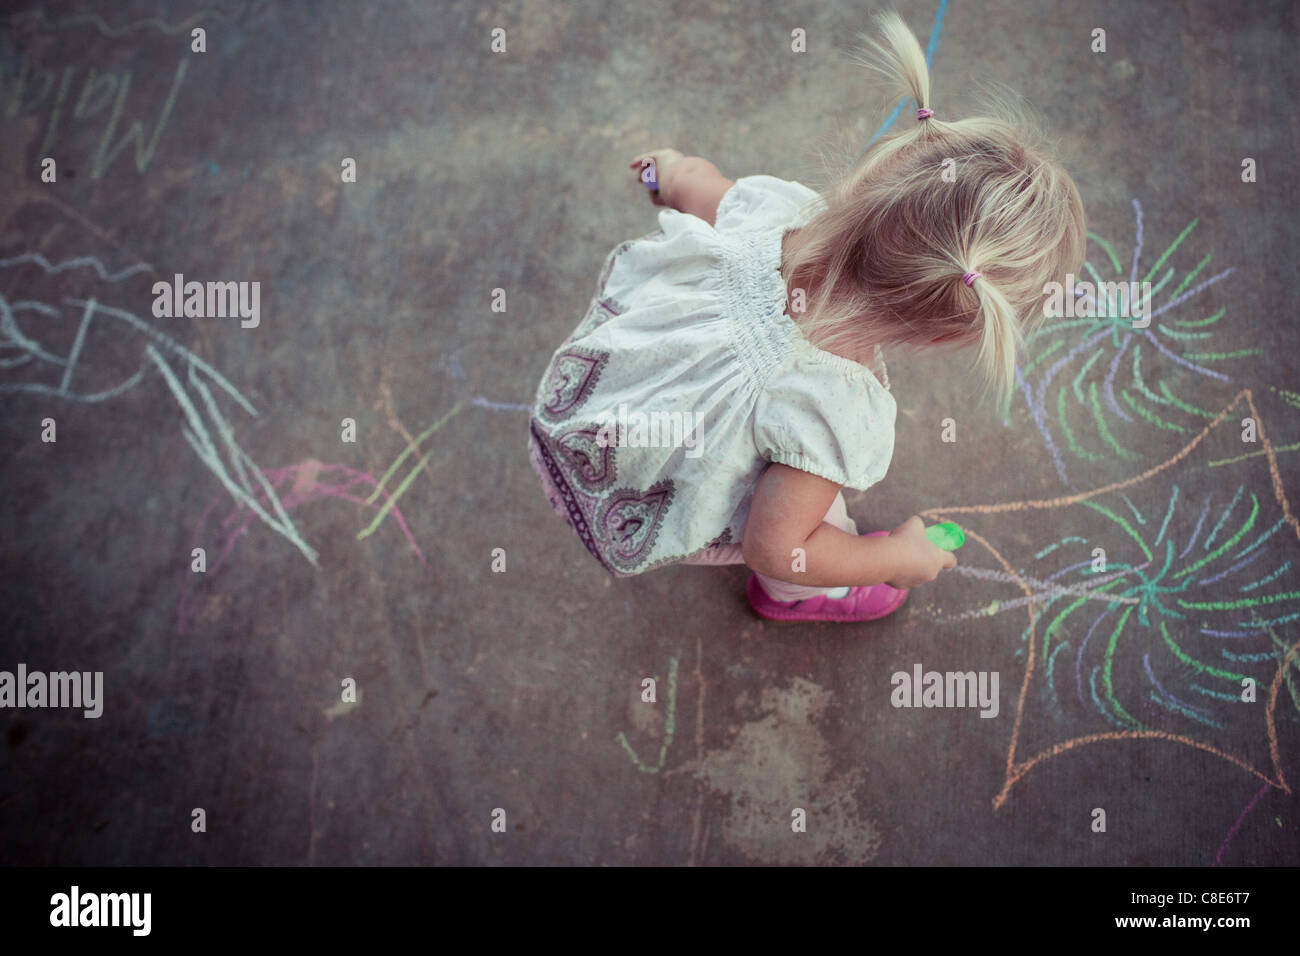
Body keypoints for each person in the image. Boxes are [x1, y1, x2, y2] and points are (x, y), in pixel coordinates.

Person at [527, 11, 1086, 623]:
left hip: (581, 409)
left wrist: (665, 168)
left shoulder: (777, 212)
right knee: (818, 519)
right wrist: (896, 558)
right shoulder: (836, 408)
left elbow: (694, 180)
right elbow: (777, 546)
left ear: (880, 175)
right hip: (633, 491)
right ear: (946, 332)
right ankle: (796, 600)